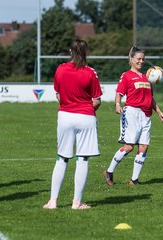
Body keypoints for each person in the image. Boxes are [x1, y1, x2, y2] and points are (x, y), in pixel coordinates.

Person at [43, 39, 102, 210]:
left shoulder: (60, 69)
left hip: (65, 117)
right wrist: (86, 109)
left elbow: (59, 95)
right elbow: (97, 100)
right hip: (85, 117)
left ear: (70, 51)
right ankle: (77, 202)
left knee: (62, 158)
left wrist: (69, 105)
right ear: (86, 52)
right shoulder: (91, 72)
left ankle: (52, 201)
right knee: (82, 159)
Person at [103, 46, 163, 186]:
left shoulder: (147, 77)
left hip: (146, 115)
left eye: (143, 59)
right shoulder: (126, 76)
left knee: (144, 147)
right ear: (131, 59)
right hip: (132, 112)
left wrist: (160, 112)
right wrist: (118, 105)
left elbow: (151, 98)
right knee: (129, 147)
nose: (141, 61)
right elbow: (119, 92)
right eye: (139, 59)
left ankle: (134, 179)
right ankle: (109, 171)